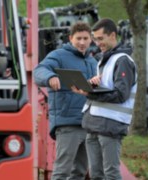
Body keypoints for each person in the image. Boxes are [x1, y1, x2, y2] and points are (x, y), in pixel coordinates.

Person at [71, 18, 137, 180]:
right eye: (95, 39)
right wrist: (90, 86)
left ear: (113, 35)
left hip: (111, 125)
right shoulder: (105, 60)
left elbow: (121, 95)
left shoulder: (123, 61)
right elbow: (107, 88)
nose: (97, 43)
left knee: (111, 173)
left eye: (100, 38)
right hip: (94, 124)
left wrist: (90, 93)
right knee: (96, 174)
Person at [34, 22, 98, 180]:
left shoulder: (93, 62)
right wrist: (50, 77)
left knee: (80, 172)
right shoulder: (58, 55)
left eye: (85, 38)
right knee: (62, 170)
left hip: (89, 124)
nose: (82, 42)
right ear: (70, 38)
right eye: (78, 38)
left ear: (91, 40)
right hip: (68, 123)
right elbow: (39, 71)